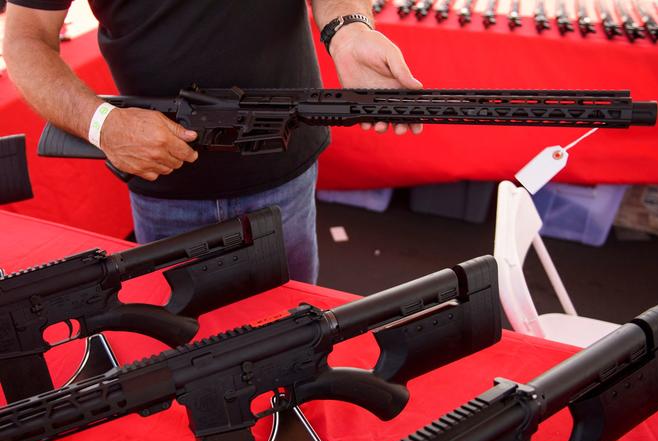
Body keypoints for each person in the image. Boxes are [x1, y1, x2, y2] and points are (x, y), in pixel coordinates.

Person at [3, 1, 423, 284]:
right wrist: (102, 125)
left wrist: (348, 30)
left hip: (284, 169)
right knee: (182, 356)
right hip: (166, 181)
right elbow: (25, 37)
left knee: (296, 336)